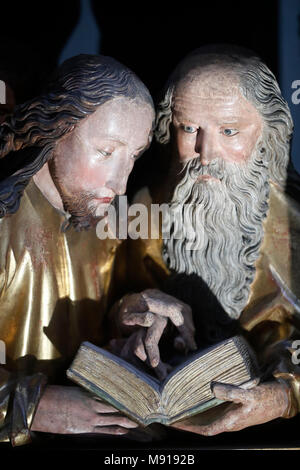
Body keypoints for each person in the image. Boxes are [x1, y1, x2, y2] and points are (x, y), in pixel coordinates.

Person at [114, 45, 300, 436]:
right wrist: (130, 314)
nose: (206, 152)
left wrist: (284, 395)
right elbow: (105, 305)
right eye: (189, 129)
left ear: (268, 133)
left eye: (229, 131)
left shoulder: (295, 226)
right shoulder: (142, 209)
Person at [0, 53, 158, 446]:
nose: (120, 184)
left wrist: (128, 319)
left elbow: (90, 325)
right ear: (57, 129)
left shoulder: (103, 220)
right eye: (105, 152)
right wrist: (33, 405)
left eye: (134, 157)